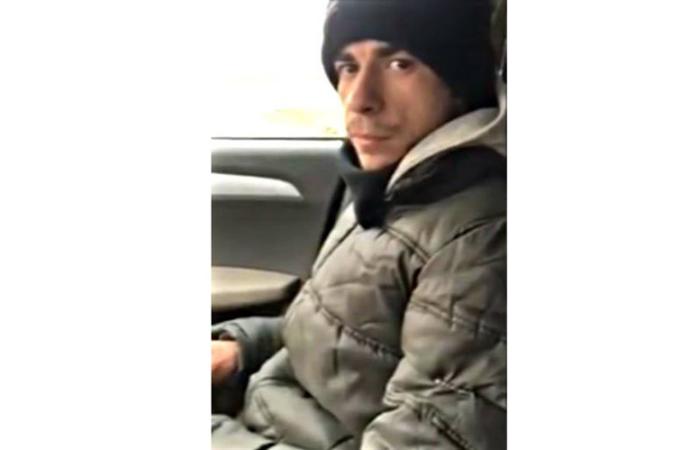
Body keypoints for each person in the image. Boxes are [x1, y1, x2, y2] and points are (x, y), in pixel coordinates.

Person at [212, 0, 506, 448]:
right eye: (348, 67)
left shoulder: (483, 238)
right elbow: (349, 334)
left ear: (461, 82)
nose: (359, 99)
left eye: (399, 63)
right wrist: (241, 348)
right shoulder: (396, 187)